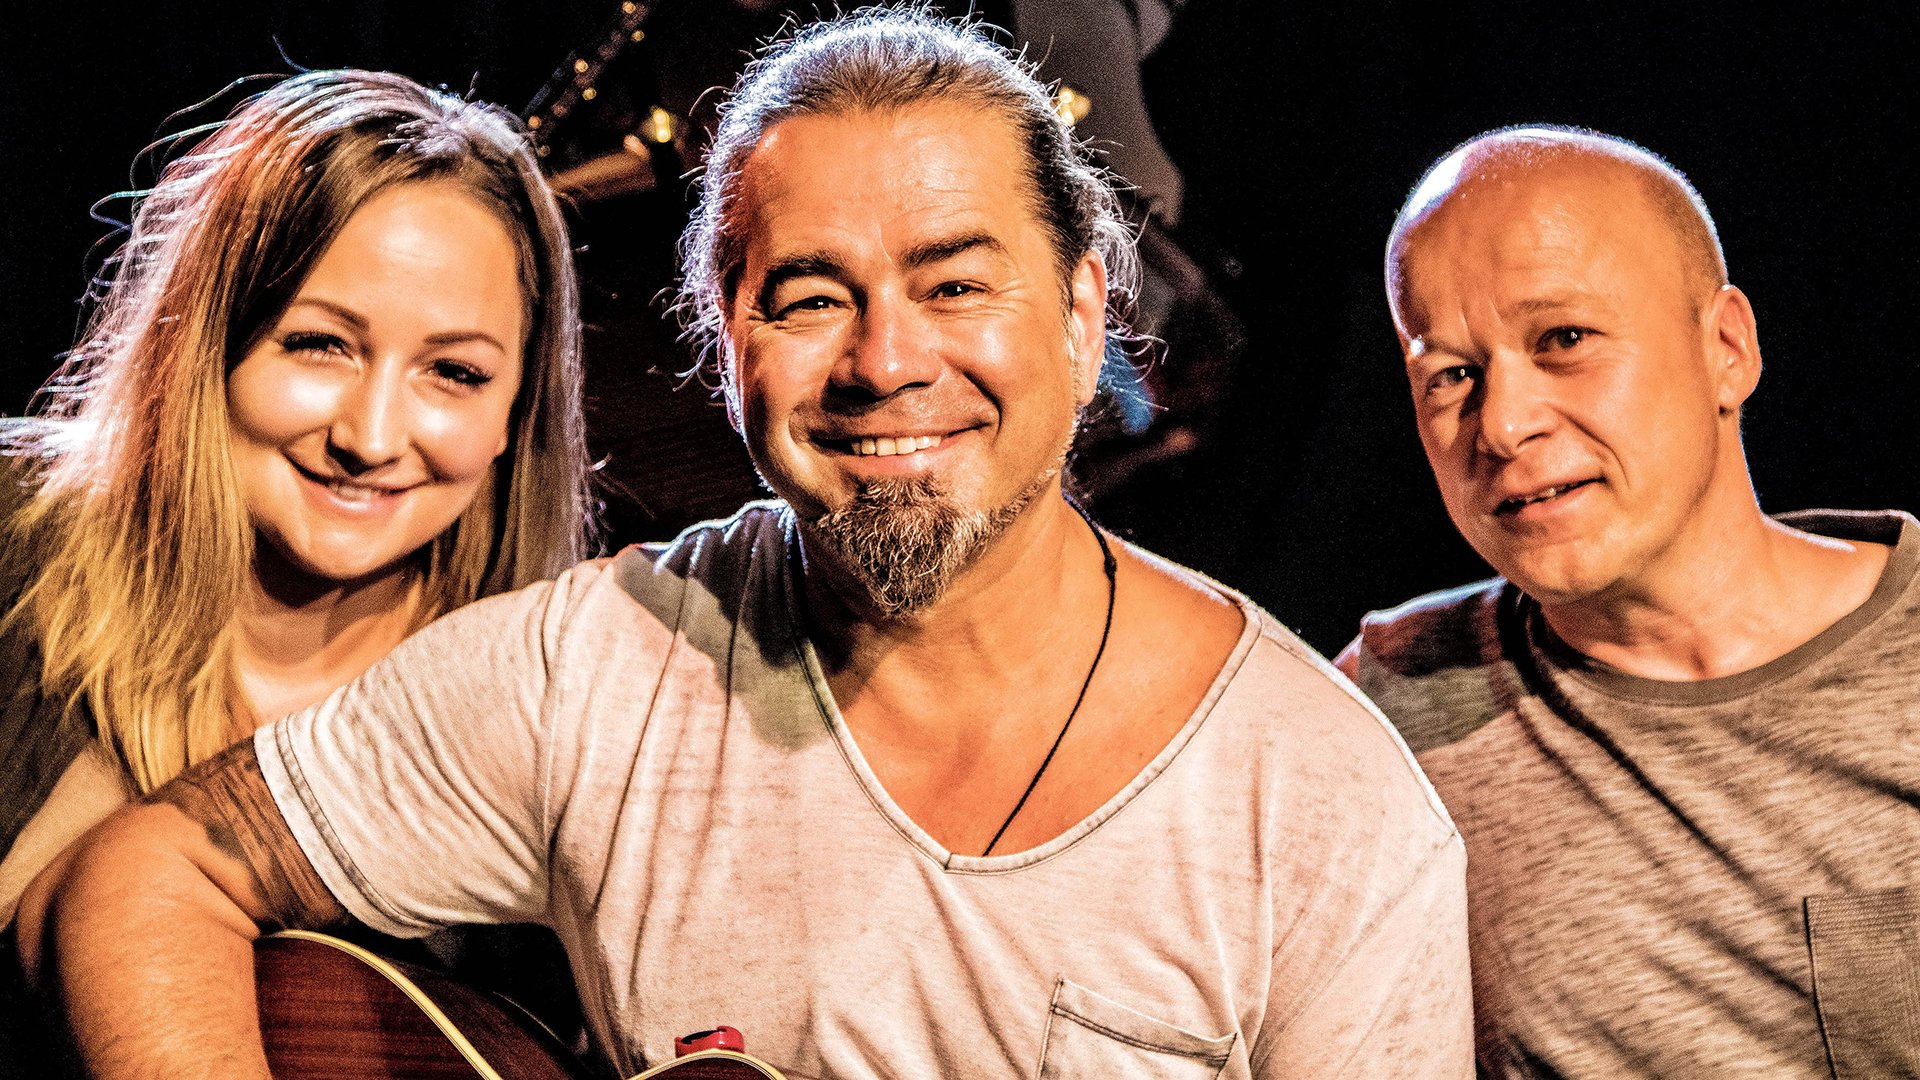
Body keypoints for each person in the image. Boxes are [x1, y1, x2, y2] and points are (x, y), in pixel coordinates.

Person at [22, 10, 1469, 1078]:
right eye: (810, 297)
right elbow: (157, 869)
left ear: (1090, 314)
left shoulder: (1328, 808)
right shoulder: (598, 662)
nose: (886, 360)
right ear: (726, 345)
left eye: (955, 281)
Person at [0, 67, 592, 1065]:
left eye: (453, 373)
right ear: (209, 347)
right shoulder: (16, 541)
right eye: (319, 345)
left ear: (514, 413)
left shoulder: (554, 702)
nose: (369, 436)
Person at [1337, 125, 1919, 1078]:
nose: (1504, 422)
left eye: (1564, 340)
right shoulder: (1386, 715)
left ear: (1727, 348)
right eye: (1450, 375)